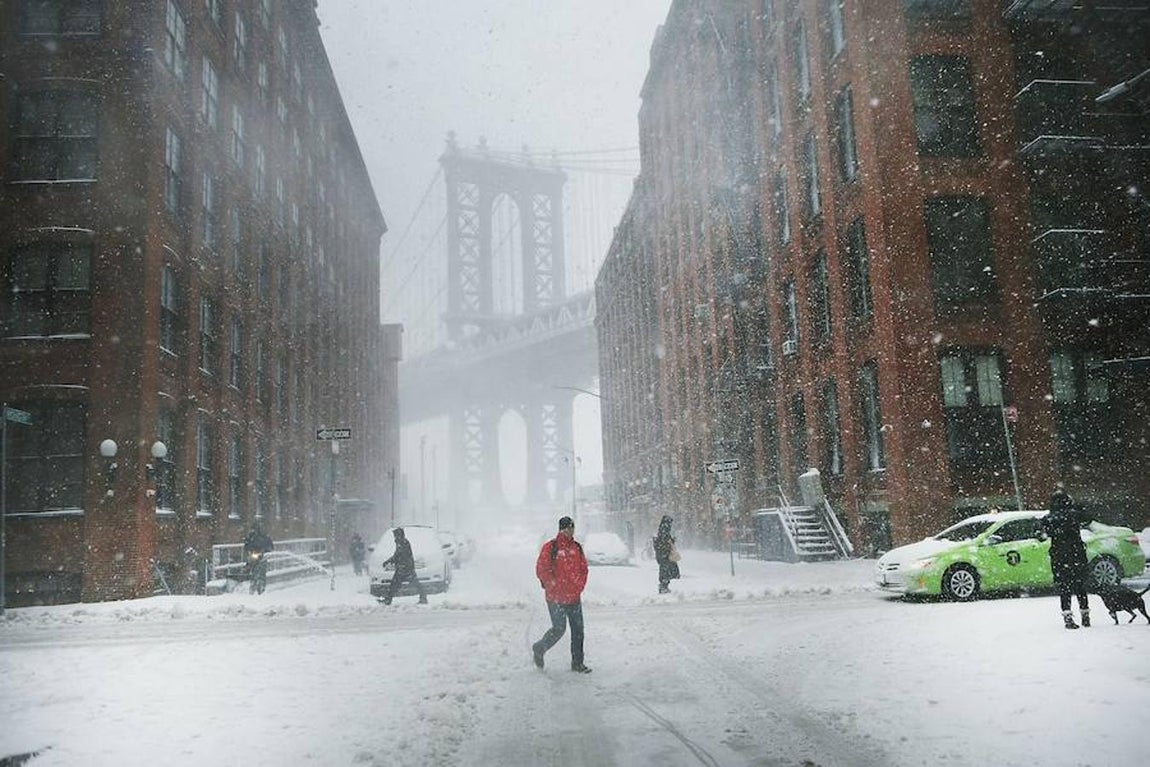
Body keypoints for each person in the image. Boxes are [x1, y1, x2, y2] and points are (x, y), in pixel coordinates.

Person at [532, 516, 591, 673]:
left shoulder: (577, 547)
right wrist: (552, 584)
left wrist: (579, 586)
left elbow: (584, 569)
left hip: (574, 597)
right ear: (561, 529)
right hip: (555, 598)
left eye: (572, 528)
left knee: (578, 630)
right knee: (559, 629)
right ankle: (539, 648)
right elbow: (541, 569)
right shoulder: (551, 547)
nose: (570, 531)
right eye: (567, 528)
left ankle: (577, 663)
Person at [1041, 489, 1094, 629]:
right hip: (1077, 554)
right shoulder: (1074, 515)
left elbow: (1040, 534)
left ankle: (1068, 617)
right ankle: (1085, 615)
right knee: (1080, 586)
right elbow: (1088, 518)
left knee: (1064, 588)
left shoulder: (1048, 518)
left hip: (1059, 557)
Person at [380, 527, 428, 605]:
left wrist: (393, 562)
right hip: (404, 568)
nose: (394, 537)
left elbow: (401, 556)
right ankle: (388, 600)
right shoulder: (401, 542)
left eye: (395, 535)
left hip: (405, 568)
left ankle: (388, 600)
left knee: (397, 584)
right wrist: (389, 561)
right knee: (400, 584)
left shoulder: (403, 543)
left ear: (399, 535)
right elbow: (397, 555)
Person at [243, 525, 274, 595]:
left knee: (261, 572)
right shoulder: (251, 537)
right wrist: (250, 550)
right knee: (254, 570)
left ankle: (261, 588)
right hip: (254, 555)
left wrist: (264, 551)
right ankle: (253, 587)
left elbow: (270, 547)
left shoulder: (265, 537)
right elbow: (246, 545)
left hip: (262, 557)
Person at [653, 515, 680, 594]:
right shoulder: (664, 530)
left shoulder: (662, 530)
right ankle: (663, 586)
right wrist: (671, 542)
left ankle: (664, 585)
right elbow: (664, 541)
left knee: (665, 569)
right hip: (664, 554)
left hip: (663, 554)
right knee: (665, 570)